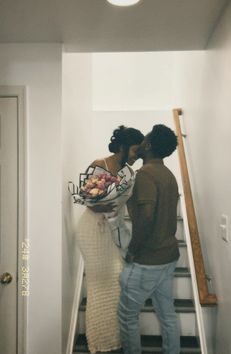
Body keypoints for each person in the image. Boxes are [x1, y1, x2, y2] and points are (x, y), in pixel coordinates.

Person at [76, 125, 144, 354]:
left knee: (117, 280)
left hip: (114, 229)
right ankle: (99, 343)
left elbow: (126, 204)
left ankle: (115, 340)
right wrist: (99, 205)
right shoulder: (100, 164)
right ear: (123, 147)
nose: (137, 156)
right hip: (92, 230)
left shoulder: (130, 173)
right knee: (97, 284)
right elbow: (85, 197)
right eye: (135, 151)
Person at [118, 124, 180, 354]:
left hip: (148, 260)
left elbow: (145, 217)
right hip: (169, 256)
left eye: (144, 139)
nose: (141, 143)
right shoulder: (168, 174)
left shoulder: (144, 174)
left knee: (126, 316)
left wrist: (132, 249)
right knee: (167, 314)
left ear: (149, 145)